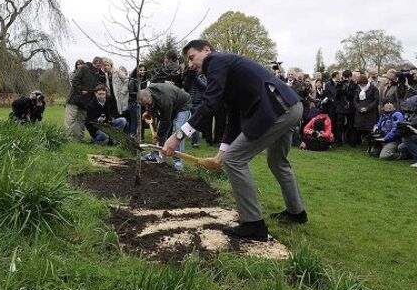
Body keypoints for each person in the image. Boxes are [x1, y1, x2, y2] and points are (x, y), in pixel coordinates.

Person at [163, 40, 307, 241]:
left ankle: (253, 224)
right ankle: (296, 212)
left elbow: (209, 103)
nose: (190, 65)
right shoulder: (226, 70)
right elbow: (233, 118)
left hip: (277, 109)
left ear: (206, 51)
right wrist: (221, 153)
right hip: (290, 107)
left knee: (235, 160)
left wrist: (178, 136)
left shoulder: (216, 60)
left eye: (192, 58)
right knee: (277, 162)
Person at [139, 83, 192, 170]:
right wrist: (149, 111)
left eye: (147, 103)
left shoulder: (164, 99)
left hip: (183, 105)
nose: (146, 106)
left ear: (150, 96)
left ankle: (178, 162)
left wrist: (158, 135)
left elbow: (166, 121)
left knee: (178, 131)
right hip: (172, 104)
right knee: (162, 128)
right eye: (144, 105)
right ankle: (154, 154)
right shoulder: (149, 92)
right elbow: (152, 105)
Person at [65, 57, 105, 142]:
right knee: (70, 120)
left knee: (81, 121)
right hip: (74, 99)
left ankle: (78, 139)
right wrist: (81, 90)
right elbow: (75, 80)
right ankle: (66, 139)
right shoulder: (84, 68)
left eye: (101, 65)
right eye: (99, 64)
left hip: (85, 102)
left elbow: (97, 88)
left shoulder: (99, 74)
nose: (100, 66)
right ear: (95, 63)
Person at [352, 74, 379, 147]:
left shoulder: (373, 89)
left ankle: (371, 144)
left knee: (370, 128)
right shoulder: (358, 89)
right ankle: (358, 142)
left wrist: (367, 108)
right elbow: (355, 100)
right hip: (360, 112)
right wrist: (359, 108)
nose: (361, 85)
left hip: (370, 113)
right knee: (359, 128)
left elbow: (376, 101)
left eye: (362, 84)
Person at [334, 70, 358, 146]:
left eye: (347, 77)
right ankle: (338, 141)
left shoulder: (354, 85)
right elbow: (337, 97)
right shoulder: (340, 84)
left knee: (351, 125)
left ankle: (352, 141)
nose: (346, 79)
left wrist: (345, 91)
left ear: (350, 77)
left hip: (350, 107)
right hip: (341, 107)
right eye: (345, 77)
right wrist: (340, 89)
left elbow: (353, 96)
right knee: (339, 125)